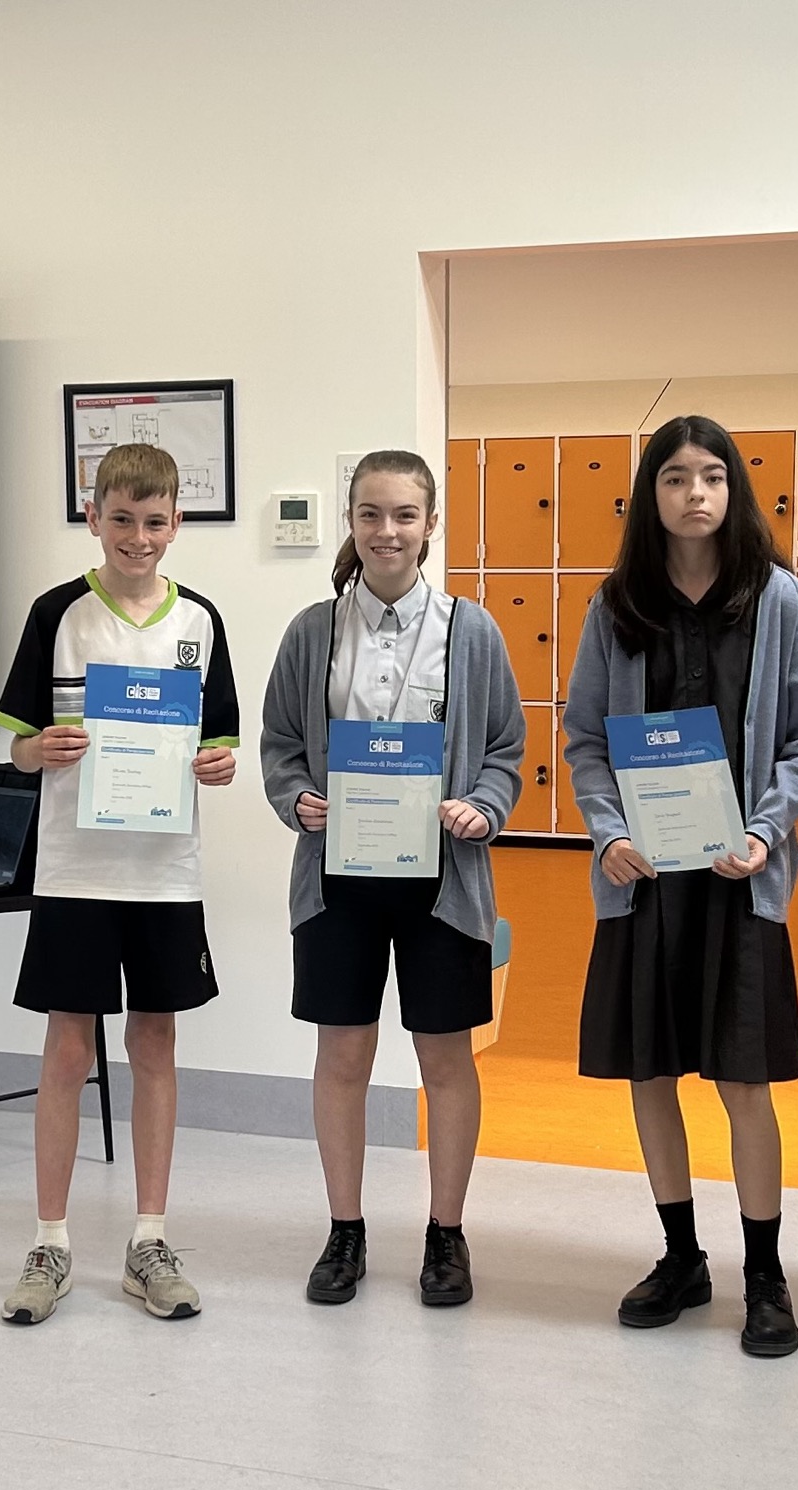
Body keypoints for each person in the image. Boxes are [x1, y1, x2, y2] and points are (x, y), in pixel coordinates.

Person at [562, 415, 798, 1359]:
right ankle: (682, 1256)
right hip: (645, 881)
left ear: (734, 490)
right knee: (650, 1072)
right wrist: (609, 832)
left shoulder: (779, 600)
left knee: (743, 1080)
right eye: (675, 477)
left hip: (737, 880)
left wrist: (764, 831)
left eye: (712, 476)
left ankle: (766, 1273)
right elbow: (585, 740)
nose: (695, 494)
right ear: (652, 494)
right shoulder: (616, 605)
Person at [260, 451, 524, 1307]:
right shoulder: (312, 632)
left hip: (442, 879)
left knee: (444, 1057)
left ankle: (446, 1234)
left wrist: (483, 806)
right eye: (371, 514)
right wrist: (295, 797)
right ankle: (345, 1230)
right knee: (343, 1054)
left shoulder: (471, 632)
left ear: (430, 524)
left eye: (405, 515)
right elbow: (280, 744)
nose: (387, 531)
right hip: (337, 879)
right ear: (351, 521)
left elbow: (506, 749)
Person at [0, 443, 238, 1324]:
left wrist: (218, 766)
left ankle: (149, 1241)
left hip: (164, 874)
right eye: (123, 519)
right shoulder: (56, 613)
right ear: (94, 517)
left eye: (156, 521)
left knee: (156, 1045)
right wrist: (39, 750)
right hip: (76, 871)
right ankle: (50, 1243)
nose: (140, 537)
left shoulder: (200, 620)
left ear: (178, 522)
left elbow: (220, 743)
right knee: (68, 1052)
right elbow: (17, 748)